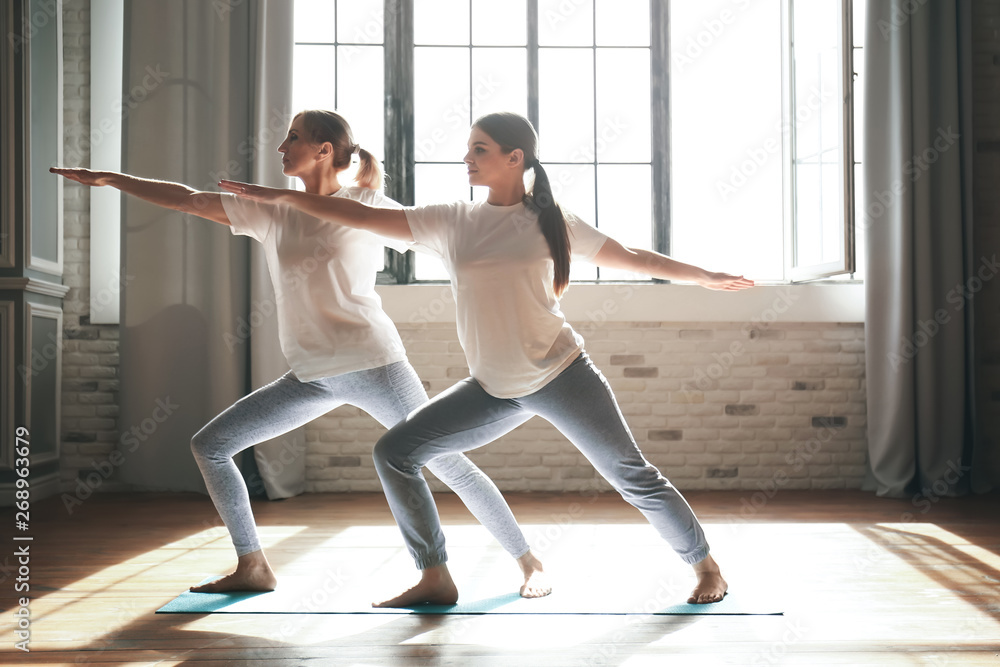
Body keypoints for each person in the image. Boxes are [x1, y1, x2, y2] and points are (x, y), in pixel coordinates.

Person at [220, 111, 754, 607]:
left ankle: (706, 567)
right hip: (493, 387)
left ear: (515, 158)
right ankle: (434, 575)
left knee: (631, 475)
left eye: (480, 149)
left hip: (560, 373)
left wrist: (704, 276)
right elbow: (352, 213)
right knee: (396, 451)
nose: (467, 158)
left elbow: (634, 258)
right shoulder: (454, 221)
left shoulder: (552, 221)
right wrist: (280, 200)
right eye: (468, 149)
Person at [51, 110, 550, 598]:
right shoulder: (273, 209)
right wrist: (111, 179)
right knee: (212, 445)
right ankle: (253, 565)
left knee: (449, 464)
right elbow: (188, 200)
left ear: (324, 150)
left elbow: (448, 241)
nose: (280, 147)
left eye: (293, 137)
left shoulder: (365, 204)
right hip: (311, 374)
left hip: (375, 363)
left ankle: (522, 561)